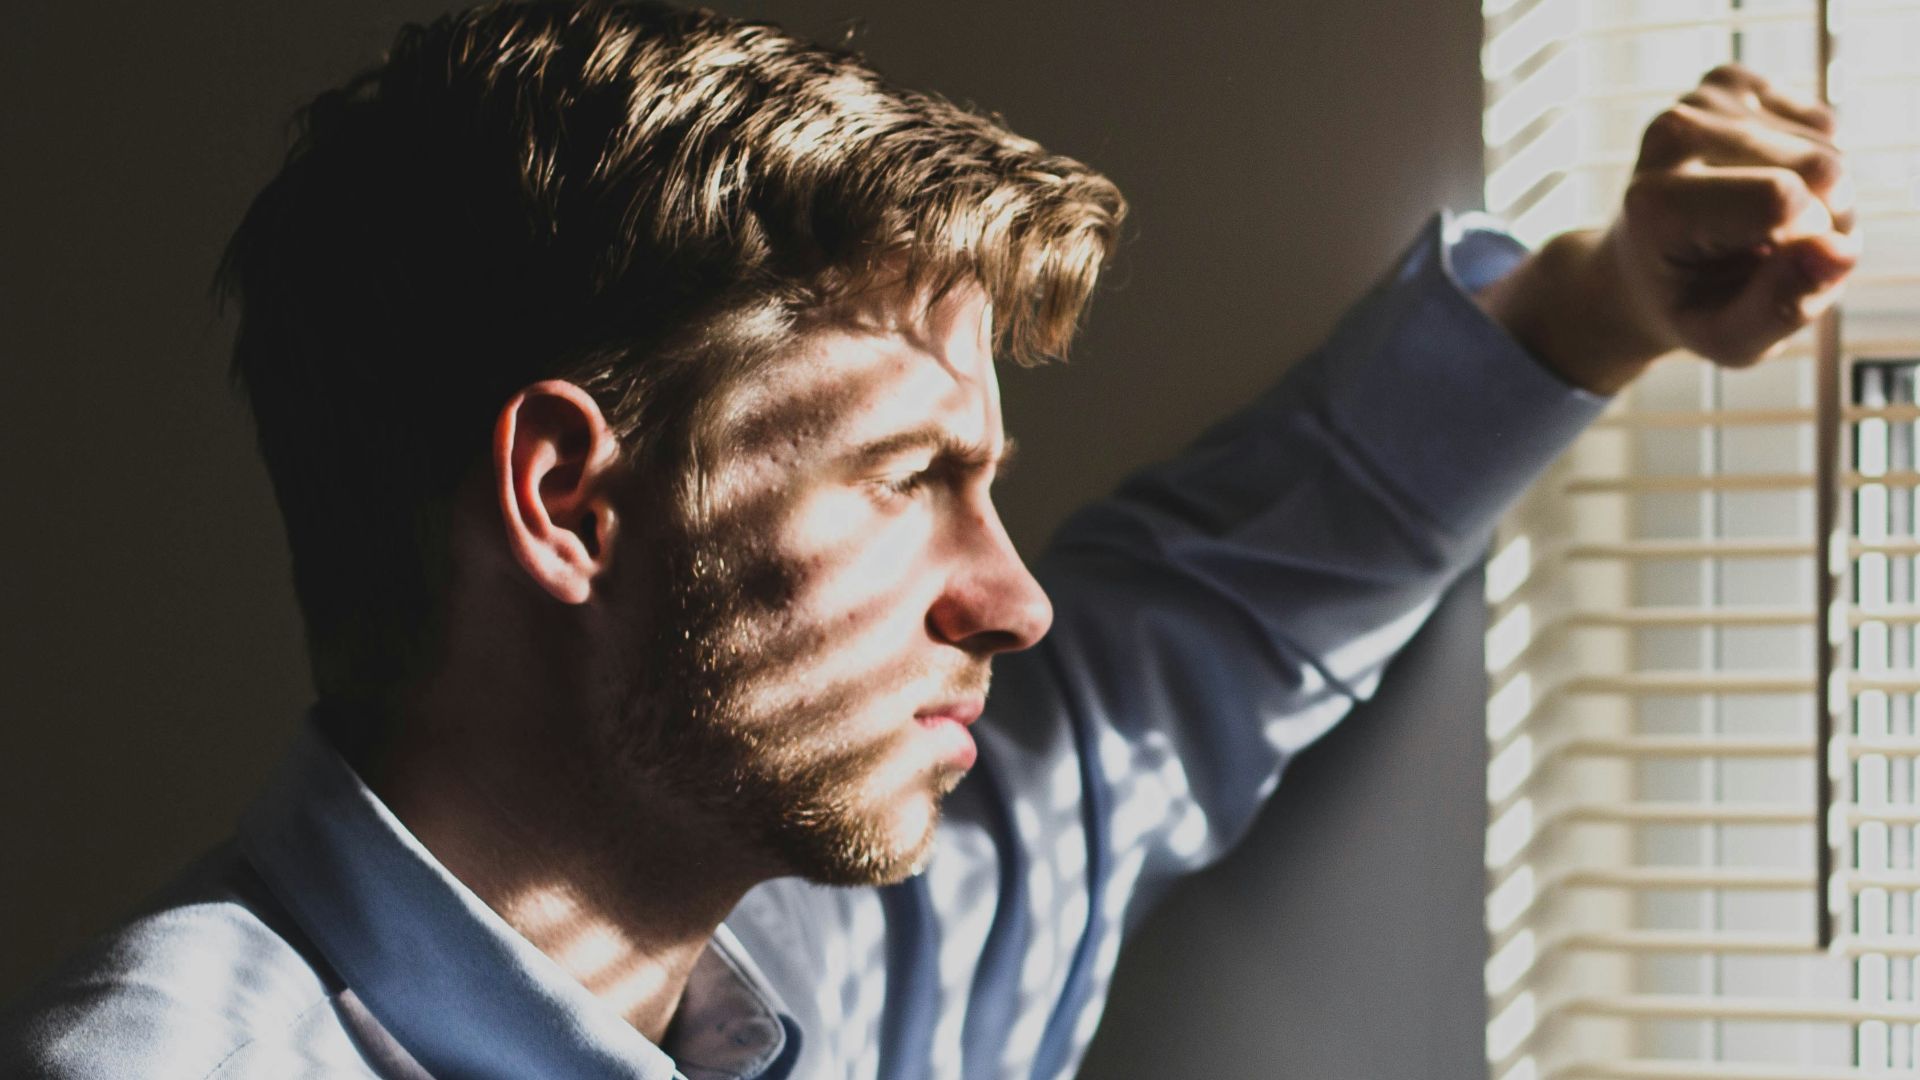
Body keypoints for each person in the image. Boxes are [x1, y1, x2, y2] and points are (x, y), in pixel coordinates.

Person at [0, 2, 1858, 1078]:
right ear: (570, 502)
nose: (1013, 594)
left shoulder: (846, 969)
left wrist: (1603, 304)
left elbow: (1186, 645)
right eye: (910, 479)